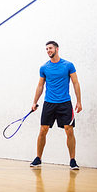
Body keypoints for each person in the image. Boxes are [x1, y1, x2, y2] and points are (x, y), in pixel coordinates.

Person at [30, 41, 82, 170]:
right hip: (49, 103)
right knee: (43, 130)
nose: (48, 50)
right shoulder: (44, 68)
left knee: (69, 130)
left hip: (65, 103)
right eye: (46, 49)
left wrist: (79, 101)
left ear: (57, 49)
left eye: (50, 48)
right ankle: (38, 158)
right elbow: (40, 86)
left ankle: (72, 160)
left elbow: (75, 83)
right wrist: (34, 102)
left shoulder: (68, 65)